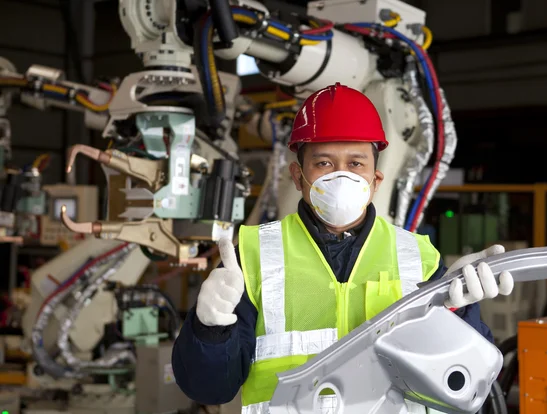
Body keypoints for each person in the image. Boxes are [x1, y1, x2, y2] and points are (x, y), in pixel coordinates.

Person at [172, 83, 514, 413]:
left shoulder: (418, 259)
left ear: (375, 180)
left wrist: (458, 310)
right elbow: (210, 389)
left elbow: (471, 382)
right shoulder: (252, 256)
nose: (340, 176)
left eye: (355, 164)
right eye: (323, 163)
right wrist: (209, 330)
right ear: (297, 175)